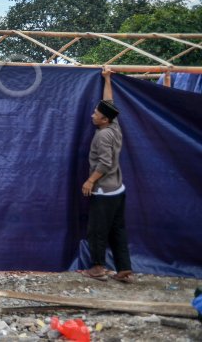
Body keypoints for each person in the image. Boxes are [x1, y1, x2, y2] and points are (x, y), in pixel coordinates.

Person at [81, 68, 133, 283]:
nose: (93, 115)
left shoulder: (102, 136)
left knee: (97, 230)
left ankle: (98, 267)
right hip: (118, 189)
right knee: (118, 229)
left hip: (104, 190)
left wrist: (90, 181)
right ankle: (124, 269)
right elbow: (109, 101)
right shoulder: (115, 125)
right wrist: (107, 79)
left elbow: (105, 162)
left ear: (103, 120)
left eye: (96, 113)